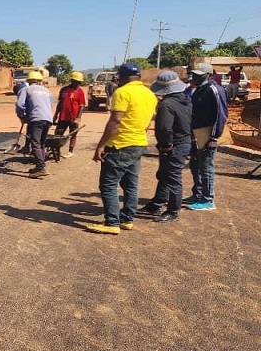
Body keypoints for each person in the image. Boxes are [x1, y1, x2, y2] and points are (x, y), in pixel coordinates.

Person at [88, 62, 157, 235]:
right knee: (130, 184)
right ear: (139, 76)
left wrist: (101, 145)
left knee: (108, 185)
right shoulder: (149, 94)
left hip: (120, 145)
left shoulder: (123, 92)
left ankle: (112, 222)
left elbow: (115, 121)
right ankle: (127, 220)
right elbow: (148, 121)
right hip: (139, 143)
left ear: (124, 77)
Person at [138, 71, 192, 223]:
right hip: (183, 142)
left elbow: (164, 128)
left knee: (173, 177)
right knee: (164, 175)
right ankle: (156, 204)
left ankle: (173, 211)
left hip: (173, 145)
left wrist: (166, 145)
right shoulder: (186, 100)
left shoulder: (166, 105)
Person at [184, 62, 228, 211]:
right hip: (197, 135)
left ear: (208, 75)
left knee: (206, 167)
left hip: (208, 136)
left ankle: (208, 199)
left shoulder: (214, 90)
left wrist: (214, 138)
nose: (194, 77)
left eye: (198, 75)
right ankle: (198, 193)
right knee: (195, 164)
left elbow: (220, 115)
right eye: (194, 75)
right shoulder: (199, 90)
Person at [16, 71, 53, 178]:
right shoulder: (47, 91)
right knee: (41, 143)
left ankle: (41, 168)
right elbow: (49, 105)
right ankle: (40, 166)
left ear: (29, 81)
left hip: (36, 119)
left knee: (35, 143)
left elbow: (19, 105)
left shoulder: (26, 89)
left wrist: (22, 117)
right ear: (40, 81)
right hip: (47, 119)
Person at [52, 71, 87, 158]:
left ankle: (70, 151)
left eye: (79, 82)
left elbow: (82, 105)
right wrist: (56, 115)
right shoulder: (63, 89)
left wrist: (78, 118)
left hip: (74, 118)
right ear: (72, 80)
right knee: (58, 135)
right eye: (76, 81)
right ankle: (57, 151)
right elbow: (60, 103)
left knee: (73, 135)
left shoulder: (80, 91)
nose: (78, 83)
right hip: (63, 117)